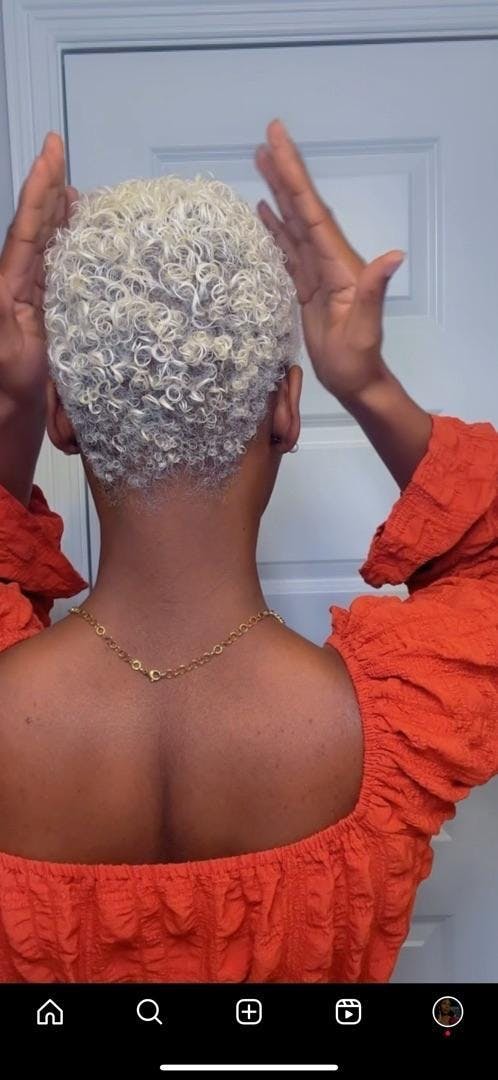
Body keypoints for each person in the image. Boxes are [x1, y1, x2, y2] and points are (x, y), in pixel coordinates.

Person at [0, 119, 497, 984]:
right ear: (287, 411)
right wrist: (368, 382)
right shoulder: (394, 728)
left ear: (64, 421)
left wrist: (10, 402)